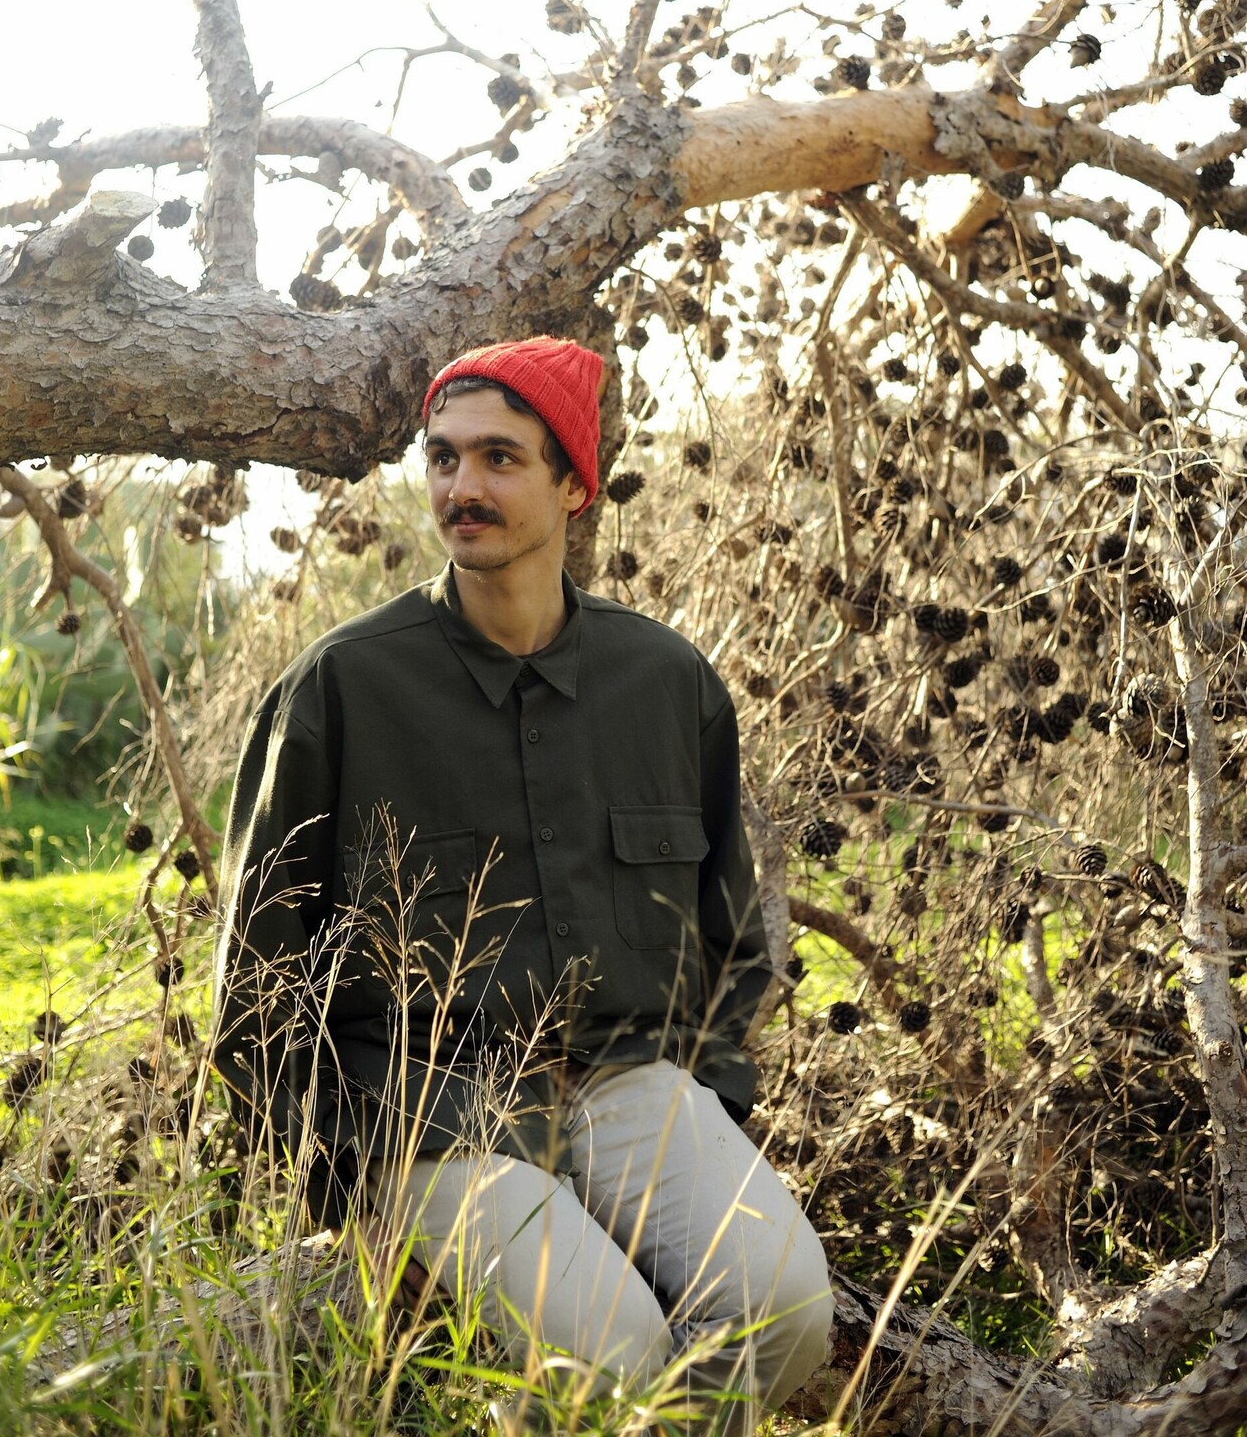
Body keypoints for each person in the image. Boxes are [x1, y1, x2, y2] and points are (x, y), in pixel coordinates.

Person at [212, 334, 833, 1430]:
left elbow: (728, 932)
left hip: (627, 1082)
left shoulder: (667, 684)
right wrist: (341, 1185)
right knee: (616, 1358)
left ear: (573, 485)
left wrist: (710, 1097)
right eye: (443, 457)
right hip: (423, 1112)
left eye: (499, 457)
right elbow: (258, 974)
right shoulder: (342, 687)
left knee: (781, 1310)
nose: (463, 487)